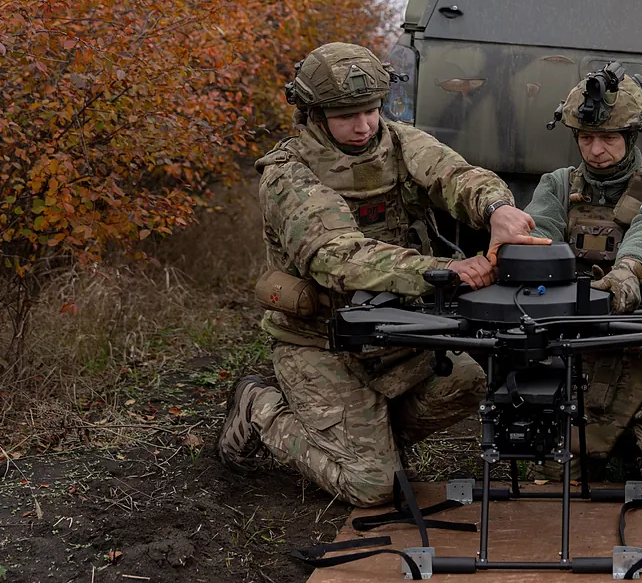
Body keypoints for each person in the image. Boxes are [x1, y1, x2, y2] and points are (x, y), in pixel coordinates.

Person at [216, 42, 542, 506]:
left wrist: (497, 209)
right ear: (314, 114)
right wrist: (444, 270)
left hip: (396, 331)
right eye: (346, 115)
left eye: (371, 110)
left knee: (470, 379)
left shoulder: (400, 142)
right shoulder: (288, 174)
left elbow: (456, 175)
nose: (364, 126)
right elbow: (337, 257)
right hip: (321, 342)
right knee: (372, 487)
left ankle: (369, 443)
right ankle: (259, 409)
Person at [523, 63, 642, 490]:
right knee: (552, 476)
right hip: (582, 355)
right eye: (586, 138)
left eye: (608, 139)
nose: (596, 150)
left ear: (632, 137)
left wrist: (628, 272)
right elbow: (538, 237)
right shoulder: (557, 186)